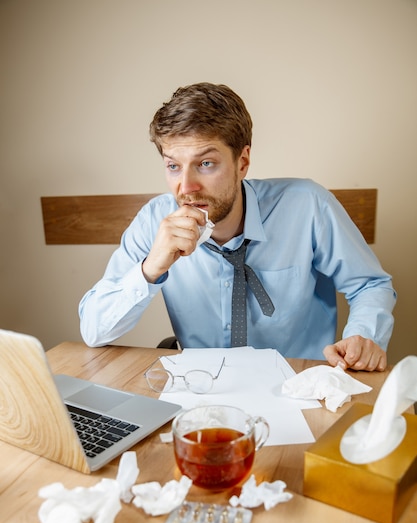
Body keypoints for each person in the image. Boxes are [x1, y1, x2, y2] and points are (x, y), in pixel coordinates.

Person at [79, 82, 396, 372]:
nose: (186, 187)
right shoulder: (153, 221)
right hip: (203, 390)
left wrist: (364, 337)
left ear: (242, 162)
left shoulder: (307, 205)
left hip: (299, 384)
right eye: (174, 166)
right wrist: (150, 269)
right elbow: (94, 331)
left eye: (206, 164)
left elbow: (370, 284)